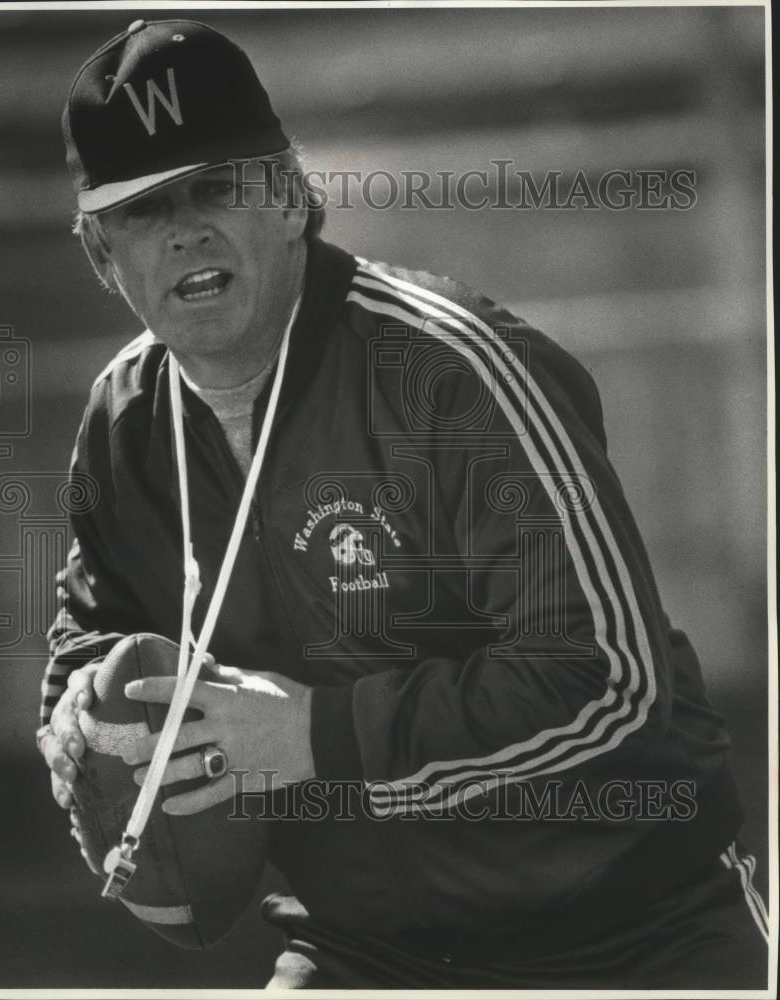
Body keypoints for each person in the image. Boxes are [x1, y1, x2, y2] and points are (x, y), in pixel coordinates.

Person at [37, 17, 768, 989]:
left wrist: (312, 736)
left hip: (631, 926)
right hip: (365, 946)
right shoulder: (123, 422)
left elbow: (605, 683)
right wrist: (82, 716)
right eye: (142, 209)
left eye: (217, 186)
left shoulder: (447, 369)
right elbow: (92, 639)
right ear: (99, 255)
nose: (185, 229)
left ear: (291, 198)